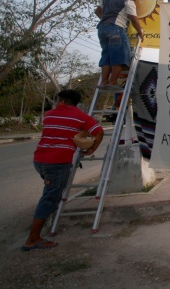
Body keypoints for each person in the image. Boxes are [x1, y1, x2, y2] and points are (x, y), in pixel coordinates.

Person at [21, 90, 104, 251]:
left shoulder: (49, 115)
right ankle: (33, 239)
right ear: (76, 102)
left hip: (39, 160)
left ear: (61, 101)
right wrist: (91, 149)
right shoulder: (81, 117)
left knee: (52, 192)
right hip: (57, 162)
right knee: (50, 198)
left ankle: (43, 224)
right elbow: (98, 132)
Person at [95, 0, 145, 90]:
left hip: (102, 29)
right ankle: (112, 83)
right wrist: (140, 32)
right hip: (116, 29)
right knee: (119, 56)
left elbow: (97, 12)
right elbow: (133, 18)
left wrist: (105, 20)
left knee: (106, 55)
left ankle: (104, 82)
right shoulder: (127, 0)